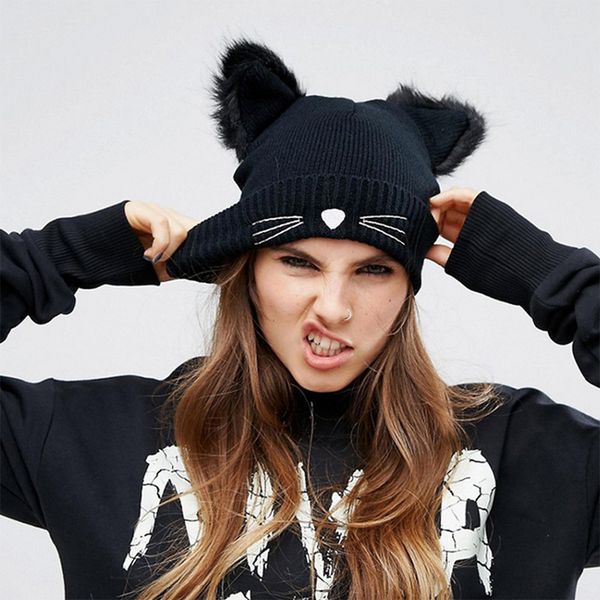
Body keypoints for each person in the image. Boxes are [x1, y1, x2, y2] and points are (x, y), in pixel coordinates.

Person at [1, 37, 598, 600]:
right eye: (298, 262)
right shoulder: (98, 439)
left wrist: (550, 275)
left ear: (408, 288)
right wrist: (62, 257)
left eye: (374, 269)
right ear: (248, 268)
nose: (333, 307)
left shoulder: (524, 455)